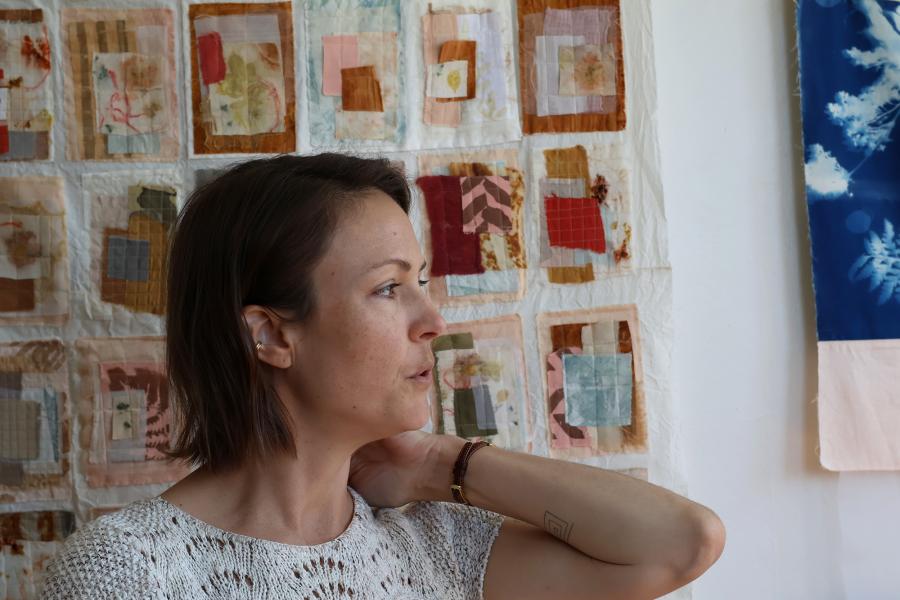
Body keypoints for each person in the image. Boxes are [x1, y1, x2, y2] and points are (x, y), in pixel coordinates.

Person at [42, 153, 724, 599]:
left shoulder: (432, 545)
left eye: (421, 281)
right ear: (272, 333)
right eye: (389, 289)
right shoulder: (123, 573)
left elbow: (681, 543)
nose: (432, 317)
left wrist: (441, 461)